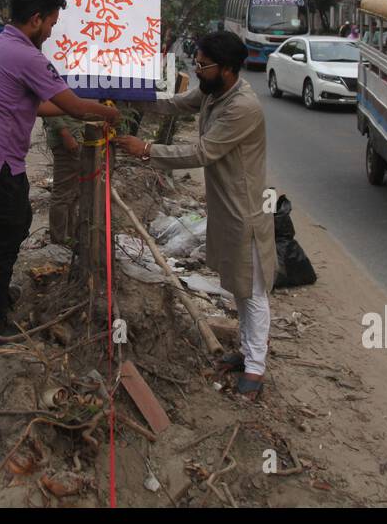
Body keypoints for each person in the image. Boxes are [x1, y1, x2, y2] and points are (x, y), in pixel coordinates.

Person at [0, 0, 120, 343]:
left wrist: (83, 111)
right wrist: (108, 113)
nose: (51, 31)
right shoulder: (26, 55)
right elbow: (72, 105)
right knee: (3, 237)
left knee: (16, 223)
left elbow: (40, 105)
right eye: (51, 23)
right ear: (35, 19)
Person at [114, 30, 276, 400]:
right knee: (237, 283)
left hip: (245, 210)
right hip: (225, 204)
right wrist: (132, 99)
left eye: (204, 65)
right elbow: (174, 105)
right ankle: (249, 352)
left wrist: (146, 149)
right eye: (198, 64)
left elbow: (203, 152)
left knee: (252, 289)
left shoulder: (242, 107)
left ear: (229, 69)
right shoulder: (212, 91)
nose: (198, 70)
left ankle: (256, 368)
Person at [43, 113, 85, 244]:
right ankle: (59, 240)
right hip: (68, 140)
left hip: (76, 136)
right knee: (63, 194)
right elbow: (47, 103)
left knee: (74, 192)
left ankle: (69, 237)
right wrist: (65, 133)